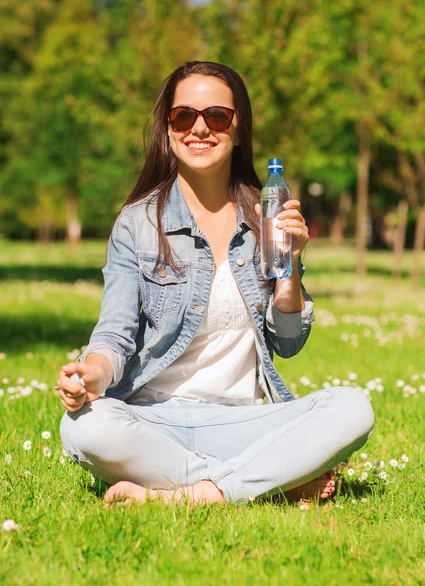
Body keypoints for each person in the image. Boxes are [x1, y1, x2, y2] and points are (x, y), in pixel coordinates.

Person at [58, 61, 374, 506]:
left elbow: (287, 343)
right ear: (167, 129)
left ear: (238, 129)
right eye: (184, 116)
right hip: (153, 420)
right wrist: (90, 374)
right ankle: (265, 480)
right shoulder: (137, 224)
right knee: (83, 425)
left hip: (241, 423)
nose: (199, 129)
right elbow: (115, 334)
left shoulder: (265, 219)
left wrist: (291, 267)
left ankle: (191, 494)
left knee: (352, 407)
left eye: (217, 116)